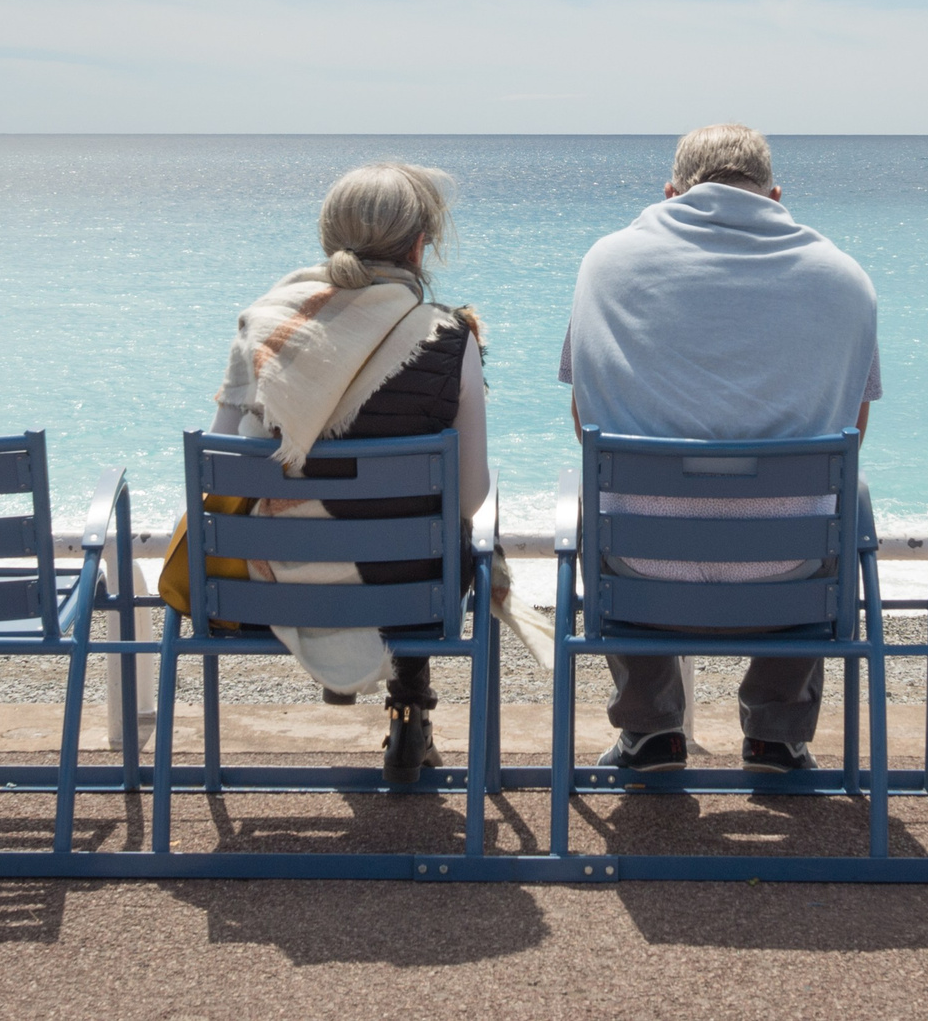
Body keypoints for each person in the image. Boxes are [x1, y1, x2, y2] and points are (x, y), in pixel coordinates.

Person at [557, 123, 881, 774]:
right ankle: (776, 731)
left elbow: (582, 416)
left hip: (642, 574)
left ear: (672, 192)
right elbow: (853, 430)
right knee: (846, 492)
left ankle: (650, 728)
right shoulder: (846, 279)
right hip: (787, 577)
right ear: (775, 195)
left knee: (599, 485)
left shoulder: (606, 263)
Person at [208, 161, 490, 783]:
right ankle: (411, 701)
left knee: (323, 525)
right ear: (420, 245)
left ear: (328, 238)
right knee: (431, 539)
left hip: (275, 586)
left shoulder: (264, 329)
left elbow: (221, 473)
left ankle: (370, 677)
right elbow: (470, 496)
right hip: (413, 594)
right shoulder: (449, 339)